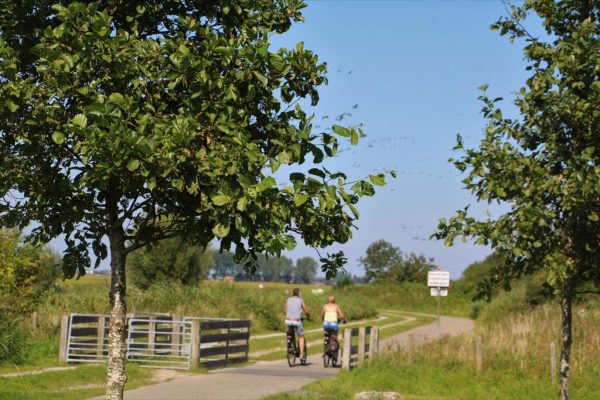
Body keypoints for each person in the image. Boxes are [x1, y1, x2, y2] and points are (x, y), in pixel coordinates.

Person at [285, 288, 311, 362]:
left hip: (288, 320)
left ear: (292, 293)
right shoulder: (301, 300)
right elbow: (306, 311)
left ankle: (290, 341)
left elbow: (285, 310)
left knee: (290, 331)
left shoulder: (288, 300)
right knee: (301, 337)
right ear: (299, 293)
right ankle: (302, 355)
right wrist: (308, 317)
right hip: (297, 321)